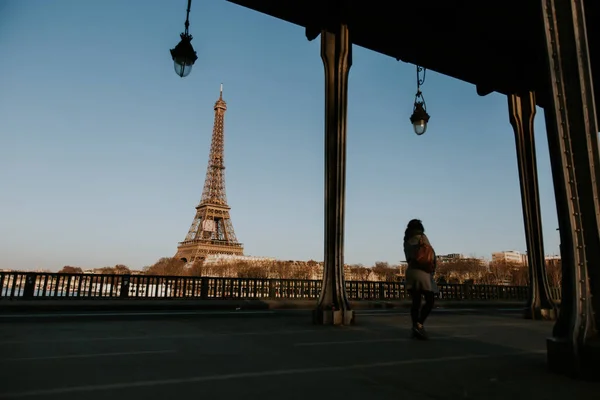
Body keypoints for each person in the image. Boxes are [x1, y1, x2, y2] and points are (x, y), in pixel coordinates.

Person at [403, 219, 437, 340]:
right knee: (430, 300)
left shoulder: (406, 240)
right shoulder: (422, 237)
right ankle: (419, 324)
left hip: (411, 271)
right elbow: (430, 254)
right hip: (423, 272)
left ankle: (414, 327)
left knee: (416, 302)